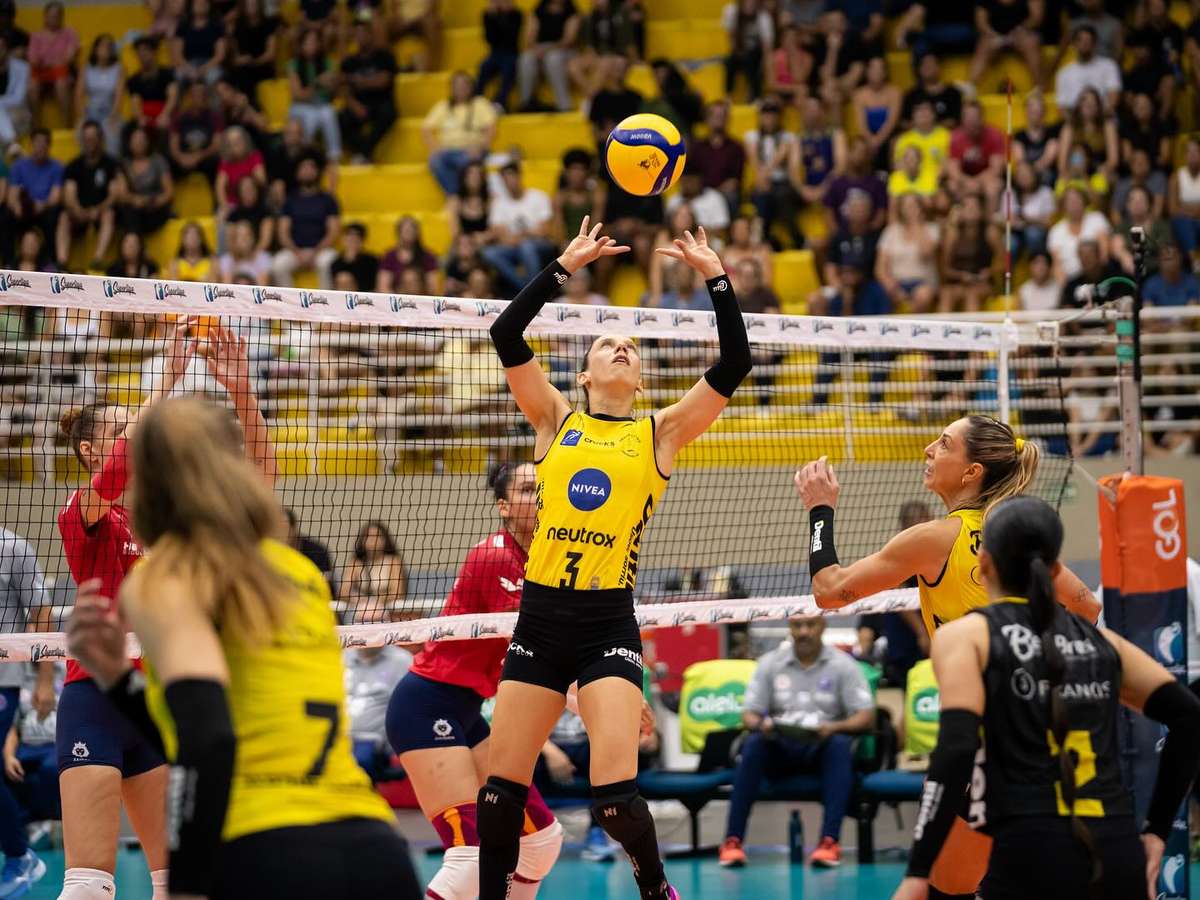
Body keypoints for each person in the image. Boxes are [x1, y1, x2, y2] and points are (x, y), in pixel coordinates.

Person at [477, 219, 750, 900]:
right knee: (500, 795)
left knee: (615, 801)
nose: (621, 346)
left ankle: (654, 888)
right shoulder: (555, 420)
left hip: (606, 626)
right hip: (540, 621)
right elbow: (506, 333)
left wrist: (716, 278)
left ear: (642, 376)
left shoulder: (662, 432)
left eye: (631, 345)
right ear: (584, 372)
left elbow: (734, 363)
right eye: (606, 343)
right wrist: (563, 266)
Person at [65, 396, 422, 900]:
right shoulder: (296, 570)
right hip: (374, 843)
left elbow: (206, 737)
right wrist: (121, 683)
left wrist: (188, 883)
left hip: (264, 847)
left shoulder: (168, 574)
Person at [794, 416, 1102, 898]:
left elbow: (829, 591)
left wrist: (819, 510)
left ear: (972, 471)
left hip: (982, 741)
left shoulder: (937, 538)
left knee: (944, 888)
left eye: (943, 444)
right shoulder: (1016, 541)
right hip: (1045, 733)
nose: (928, 449)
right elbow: (1088, 608)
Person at [53, 323, 272, 900]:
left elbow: (258, 490)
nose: (138, 438)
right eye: (123, 431)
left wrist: (241, 392)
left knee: (179, 883)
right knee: (88, 886)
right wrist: (166, 382)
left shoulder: (162, 524)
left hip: (158, 704)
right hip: (95, 699)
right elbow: (114, 475)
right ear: (90, 450)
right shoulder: (83, 512)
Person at [891, 496, 1200, 900]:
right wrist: (1157, 831)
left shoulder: (968, 636)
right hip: (1116, 854)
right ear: (1056, 570)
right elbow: (1189, 715)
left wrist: (917, 870)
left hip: (1029, 855)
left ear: (983, 564)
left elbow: (956, 748)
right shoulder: (1103, 642)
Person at [387, 463, 566, 899]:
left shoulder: (548, 559)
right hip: (426, 707)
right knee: (470, 855)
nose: (539, 496)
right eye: (527, 489)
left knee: (540, 842)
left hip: (466, 712)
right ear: (503, 506)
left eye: (544, 488)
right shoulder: (495, 556)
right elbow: (533, 649)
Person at [718, 615, 875, 869]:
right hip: (781, 748)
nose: (803, 632)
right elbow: (749, 715)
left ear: (823, 626)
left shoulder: (844, 666)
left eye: (810, 625)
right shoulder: (770, 663)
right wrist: (762, 724)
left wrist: (834, 728)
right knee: (753, 744)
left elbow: (866, 716)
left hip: (821, 749)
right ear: (790, 628)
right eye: (797, 625)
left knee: (840, 746)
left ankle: (829, 842)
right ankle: (732, 841)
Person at [0, 527, 55, 898]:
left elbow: (42, 612)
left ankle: (21, 857)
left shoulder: (13, 546)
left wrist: (45, 679)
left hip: (3, 678)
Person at [858, 501, 932, 689]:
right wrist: (922, 633)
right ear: (906, 527)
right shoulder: (900, 550)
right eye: (919, 523)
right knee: (910, 687)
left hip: (931, 630)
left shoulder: (933, 549)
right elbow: (898, 594)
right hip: (905, 638)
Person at [481, 161, 554, 295]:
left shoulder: (538, 197)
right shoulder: (499, 203)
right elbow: (502, 237)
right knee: (489, 253)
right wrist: (527, 234)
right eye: (505, 179)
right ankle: (529, 291)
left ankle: (531, 292)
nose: (509, 182)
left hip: (541, 245)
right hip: (515, 247)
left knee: (527, 247)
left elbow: (544, 231)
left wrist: (519, 236)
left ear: (519, 176)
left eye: (511, 176)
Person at [56, 120, 120, 272]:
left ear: (100, 139)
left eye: (93, 138)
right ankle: (62, 261)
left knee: (109, 214)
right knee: (64, 216)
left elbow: (114, 195)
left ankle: (97, 259)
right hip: (79, 213)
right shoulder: (74, 165)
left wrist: (98, 210)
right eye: (86, 138)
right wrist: (78, 211)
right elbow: (69, 195)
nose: (89, 142)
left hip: (101, 212)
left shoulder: (110, 164)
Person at [423, 70, 498, 196]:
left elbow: (491, 128)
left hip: (472, 150)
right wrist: (434, 148)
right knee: (435, 161)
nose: (460, 88)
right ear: (451, 88)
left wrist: (481, 146)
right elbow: (426, 129)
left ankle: (460, 197)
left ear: (471, 87)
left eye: (464, 85)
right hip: (448, 151)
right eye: (456, 85)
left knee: (468, 163)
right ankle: (457, 195)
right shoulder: (443, 106)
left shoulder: (480, 104)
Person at [344, 644, 411, 782]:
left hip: (371, 742)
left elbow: (408, 709)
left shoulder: (402, 661)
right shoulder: (341, 657)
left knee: (358, 762)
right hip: (337, 736)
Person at [272, 155, 340, 288]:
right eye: (304, 168)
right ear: (297, 173)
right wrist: (297, 252)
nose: (307, 171)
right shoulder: (290, 200)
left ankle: (325, 301)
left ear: (317, 172)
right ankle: (289, 301)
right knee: (278, 264)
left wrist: (315, 252)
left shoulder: (328, 200)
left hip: (321, 250)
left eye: (311, 167)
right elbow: (283, 232)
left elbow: (333, 231)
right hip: (295, 251)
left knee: (327, 263)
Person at [338, 14, 397, 165]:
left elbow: (383, 81)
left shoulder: (384, 56)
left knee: (389, 113)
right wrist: (353, 105)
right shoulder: (349, 61)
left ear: (371, 34)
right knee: (339, 119)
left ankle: (363, 152)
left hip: (381, 102)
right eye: (356, 34)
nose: (360, 37)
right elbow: (343, 87)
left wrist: (355, 80)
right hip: (359, 103)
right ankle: (365, 153)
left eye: (363, 32)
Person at [746, 97, 802, 250]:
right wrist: (762, 177)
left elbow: (788, 162)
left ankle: (795, 239)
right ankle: (765, 241)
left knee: (781, 195)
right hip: (760, 181)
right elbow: (754, 161)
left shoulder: (788, 137)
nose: (769, 118)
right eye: (766, 114)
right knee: (762, 195)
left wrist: (766, 173)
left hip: (782, 182)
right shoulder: (752, 136)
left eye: (773, 114)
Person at [876, 193, 938, 313]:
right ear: (900, 209)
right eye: (906, 206)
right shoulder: (891, 231)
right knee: (879, 293)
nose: (910, 209)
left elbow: (926, 253)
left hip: (923, 282)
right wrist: (892, 286)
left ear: (921, 208)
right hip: (896, 282)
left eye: (914, 205)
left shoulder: (932, 229)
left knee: (923, 295)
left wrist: (917, 224)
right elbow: (880, 267)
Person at [338, 522, 407, 625]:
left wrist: (376, 602)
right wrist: (361, 602)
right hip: (360, 617)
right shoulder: (355, 563)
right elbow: (343, 593)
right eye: (369, 536)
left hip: (388, 616)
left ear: (385, 540)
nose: (373, 540)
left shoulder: (394, 561)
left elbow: (398, 593)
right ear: (362, 540)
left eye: (377, 536)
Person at [288, 27, 341, 160]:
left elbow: (334, 94)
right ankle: (305, 156)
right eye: (307, 42)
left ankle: (334, 157)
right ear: (301, 45)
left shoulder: (327, 63)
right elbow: (298, 95)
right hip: (300, 105)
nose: (311, 46)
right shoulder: (293, 64)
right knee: (311, 116)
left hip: (321, 104)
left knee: (329, 113)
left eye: (314, 42)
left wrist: (333, 85)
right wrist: (317, 84)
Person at [688, 100, 746, 221]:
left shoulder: (736, 147)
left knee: (731, 197)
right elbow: (691, 176)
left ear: (727, 119)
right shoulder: (697, 147)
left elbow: (734, 181)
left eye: (722, 116)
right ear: (707, 119)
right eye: (714, 115)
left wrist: (714, 193)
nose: (718, 119)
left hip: (723, 193)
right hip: (700, 192)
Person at [517, 0, 579, 113]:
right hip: (541, 48)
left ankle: (564, 104)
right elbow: (529, 37)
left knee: (553, 59)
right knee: (526, 59)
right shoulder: (538, 11)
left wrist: (547, 50)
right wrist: (536, 49)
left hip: (564, 50)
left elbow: (568, 40)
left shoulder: (571, 12)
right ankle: (526, 103)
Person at [969, 0, 1042, 89]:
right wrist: (992, 34)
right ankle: (971, 86)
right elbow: (981, 22)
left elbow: (1036, 17)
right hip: (995, 35)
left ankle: (1038, 87)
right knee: (984, 45)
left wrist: (1021, 30)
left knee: (1031, 42)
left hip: (1021, 33)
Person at [115, 124, 174, 236]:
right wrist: (137, 201)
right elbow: (122, 194)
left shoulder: (158, 161)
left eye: (142, 139)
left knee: (136, 216)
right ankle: (134, 243)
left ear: (148, 142)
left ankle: (132, 243)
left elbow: (169, 192)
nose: (139, 142)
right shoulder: (124, 164)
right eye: (136, 139)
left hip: (155, 208)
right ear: (129, 142)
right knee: (128, 212)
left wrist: (152, 202)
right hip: (133, 208)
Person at [27, 1, 78, 125]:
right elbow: (33, 60)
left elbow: (68, 58)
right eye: (50, 16)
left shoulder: (69, 33)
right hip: (41, 72)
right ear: (45, 16)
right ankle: (36, 125)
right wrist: (51, 62)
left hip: (62, 72)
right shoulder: (36, 36)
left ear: (62, 17)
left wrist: (48, 62)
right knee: (32, 86)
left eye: (56, 16)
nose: (53, 19)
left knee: (61, 83)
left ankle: (66, 125)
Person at [1047, 186, 1110, 285]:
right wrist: (1065, 288)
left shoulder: (1097, 218)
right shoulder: (1056, 231)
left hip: (1097, 277)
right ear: (1063, 206)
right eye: (1070, 201)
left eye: (1077, 199)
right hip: (1071, 281)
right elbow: (1057, 265)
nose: (1074, 204)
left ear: (1084, 201)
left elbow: (1104, 253)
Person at [947, 100, 1005, 207]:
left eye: (975, 117)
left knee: (993, 187)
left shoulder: (994, 135)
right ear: (962, 119)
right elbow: (953, 169)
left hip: (986, 177)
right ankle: (961, 215)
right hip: (964, 178)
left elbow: (996, 169)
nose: (971, 121)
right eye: (968, 117)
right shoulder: (955, 137)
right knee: (952, 185)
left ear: (981, 118)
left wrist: (976, 182)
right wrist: (967, 181)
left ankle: (990, 217)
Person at [75, 34, 124, 158]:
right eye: (102, 45)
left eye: (109, 46)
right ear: (95, 49)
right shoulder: (86, 68)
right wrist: (83, 116)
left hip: (110, 112)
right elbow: (78, 95)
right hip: (90, 112)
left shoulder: (118, 69)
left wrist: (114, 116)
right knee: (81, 132)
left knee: (112, 135)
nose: (105, 49)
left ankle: (112, 166)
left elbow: (119, 96)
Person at [166, 79, 223, 185]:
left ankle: (217, 193)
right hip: (183, 157)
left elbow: (217, 145)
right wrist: (181, 157)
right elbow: (173, 145)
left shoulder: (215, 117)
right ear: (189, 97)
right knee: (168, 161)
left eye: (202, 94)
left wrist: (198, 156)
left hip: (205, 158)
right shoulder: (179, 117)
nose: (199, 97)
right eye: (195, 94)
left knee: (217, 161)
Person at [1054, 24, 1120, 112]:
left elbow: (1113, 98)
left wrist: (1099, 119)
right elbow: (1063, 107)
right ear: (1074, 44)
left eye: (1088, 40)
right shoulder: (1063, 73)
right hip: (1075, 119)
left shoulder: (1109, 65)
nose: (1084, 44)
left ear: (1094, 44)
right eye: (1080, 40)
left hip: (1104, 117)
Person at [226, 0, 278, 102]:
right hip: (243, 66)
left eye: (254, 4)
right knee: (238, 74)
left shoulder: (269, 24)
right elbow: (234, 56)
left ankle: (251, 104)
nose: (251, 6)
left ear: (259, 5)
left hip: (262, 64)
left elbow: (271, 54)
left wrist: (253, 61)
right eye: (249, 4)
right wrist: (240, 60)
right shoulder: (237, 26)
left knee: (247, 74)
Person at [722, 0, 773, 102]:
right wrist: (739, 51)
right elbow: (731, 39)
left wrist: (766, 64)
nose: (750, 4)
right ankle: (728, 96)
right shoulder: (731, 11)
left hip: (756, 54)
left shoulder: (763, 17)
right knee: (729, 61)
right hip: (738, 50)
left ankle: (756, 95)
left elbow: (766, 46)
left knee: (752, 61)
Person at [477, 0, 523, 110]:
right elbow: (490, 39)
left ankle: (500, 101)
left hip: (511, 52)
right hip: (495, 53)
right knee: (484, 66)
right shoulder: (488, 15)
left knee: (508, 67)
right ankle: (476, 98)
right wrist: (492, 17)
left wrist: (504, 16)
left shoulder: (516, 15)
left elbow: (511, 38)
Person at [376, 214, 438, 294]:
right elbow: (383, 287)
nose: (408, 233)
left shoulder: (427, 256)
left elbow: (432, 288)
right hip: (396, 298)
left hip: (421, 298)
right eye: (405, 230)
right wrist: (400, 299)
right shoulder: (389, 256)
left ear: (417, 233)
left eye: (411, 230)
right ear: (398, 232)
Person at [900, 53, 962, 128]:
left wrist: (930, 127)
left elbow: (956, 120)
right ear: (919, 70)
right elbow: (903, 122)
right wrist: (924, 128)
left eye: (931, 64)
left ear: (939, 67)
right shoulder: (911, 95)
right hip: (917, 135)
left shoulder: (953, 93)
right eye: (924, 65)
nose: (928, 67)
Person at [1014, 90, 1060, 188]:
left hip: (1047, 180)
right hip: (1026, 181)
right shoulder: (1019, 135)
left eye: (1038, 111)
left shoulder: (1052, 133)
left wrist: (1031, 171)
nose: (1035, 114)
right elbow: (1020, 161)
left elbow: (1048, 159)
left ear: (1044, 112)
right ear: (1026, 112)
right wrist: (1028, 173)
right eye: (1032, 111)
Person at [1168, 137, 1200, 264]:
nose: (1192, 154)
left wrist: (1184, 207)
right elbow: (1173, 209)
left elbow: (1179, 207)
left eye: (1196, 151)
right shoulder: (1176, 177)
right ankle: (1195, 262)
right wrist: (1195, 211)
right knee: (1184, 223)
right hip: (1183, 222)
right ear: (1184, 155)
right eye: (1189, 151)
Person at [1144, 242, 1200, 308]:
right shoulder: (1151, 285)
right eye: (1166, 259)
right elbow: (1148, 310)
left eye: (1173, 258)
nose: (1170, 263)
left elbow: (1192, 310)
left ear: (1180, 258)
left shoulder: (1192, 283)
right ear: (1159, 261)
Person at [329, 221, 378, 293]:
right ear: (343, 239)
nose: (352, 239)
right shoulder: (335, 263)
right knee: (343, 278)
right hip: (341, 297)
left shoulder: (371, 261)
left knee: (344, 278)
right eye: (349, 236)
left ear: (362, 241)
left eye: (356, 237)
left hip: (365, 297)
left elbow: (374, 287)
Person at [0, 34, 30, 145]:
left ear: (7, 49)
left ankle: (11, 141)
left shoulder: (22, 67)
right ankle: (12, 142)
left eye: (1, 48)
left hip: (17, 110)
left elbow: (18, 98)